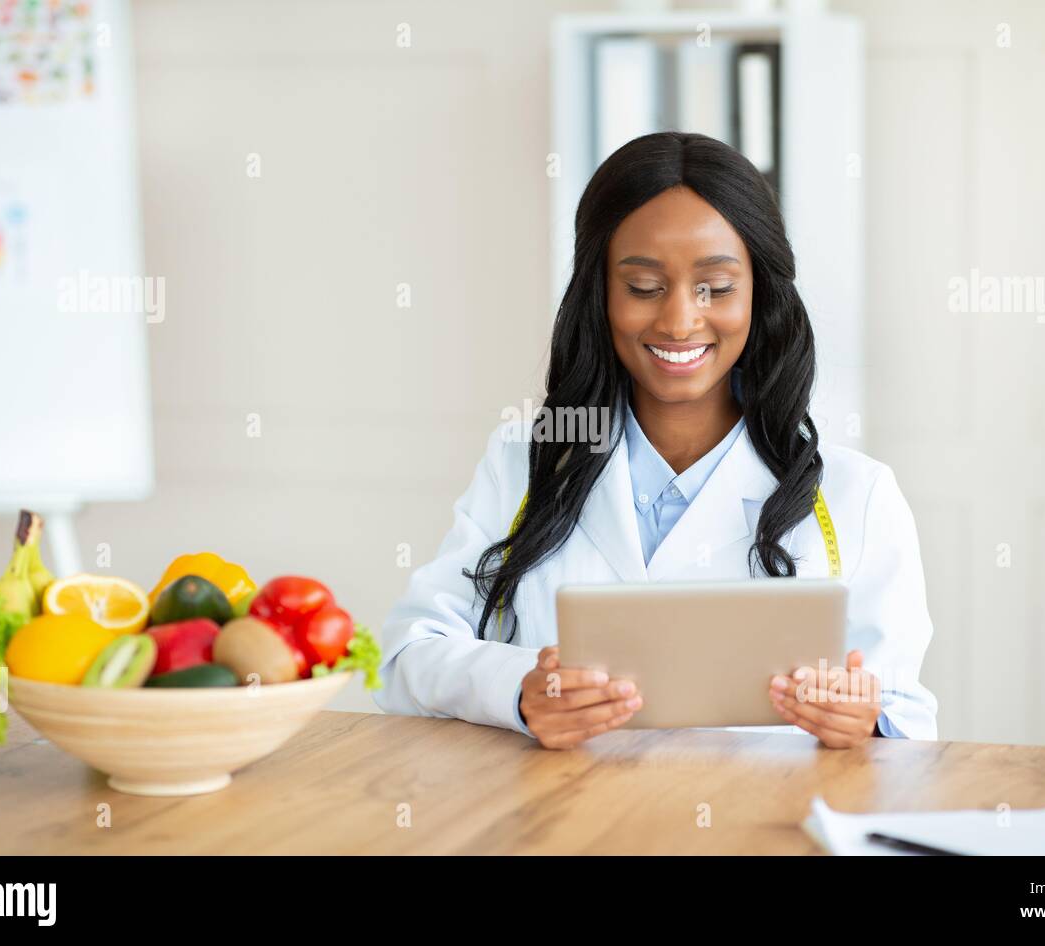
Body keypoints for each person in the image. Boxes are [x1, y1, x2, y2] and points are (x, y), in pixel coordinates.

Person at [375, 132, 936, 750]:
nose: (678, 321)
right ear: (601, 294)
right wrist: (521, 691)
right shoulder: (526, 458)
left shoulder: (858, 496)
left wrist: (863, 719)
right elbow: (406, 659)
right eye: (643, 287)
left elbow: (905, 718)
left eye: (716, 289)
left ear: (759, 295)